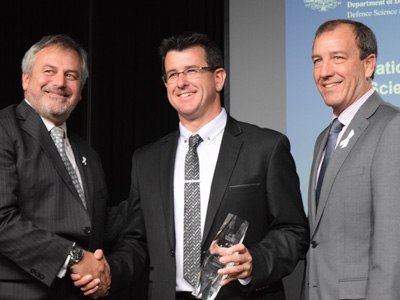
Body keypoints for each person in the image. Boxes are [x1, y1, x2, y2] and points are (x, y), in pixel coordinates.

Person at [124, 32, 309, 300]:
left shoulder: (266, 148)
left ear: (219, 78)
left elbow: (293, 231)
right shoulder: (146, 160)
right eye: (172, 74)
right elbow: (136, 241)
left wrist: (253, 261)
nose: (181, 82)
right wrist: (103, 271)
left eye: (191, 70)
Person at [0, 34, 147, 300]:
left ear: (81, 91)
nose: (60, 82)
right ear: (26, 79)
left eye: (71, 75)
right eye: (49, 71)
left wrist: (157, 197)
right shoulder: (4, 129)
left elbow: (96, 225)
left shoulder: (86, 152)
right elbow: (2, 219)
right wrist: (75, 256)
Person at [304, 19, 400, 299]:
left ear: (369, 65)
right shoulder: (323, 138)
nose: (324, 71)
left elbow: (391, 247)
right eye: (317, 60)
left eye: (338, 58)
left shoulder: (392, 127)